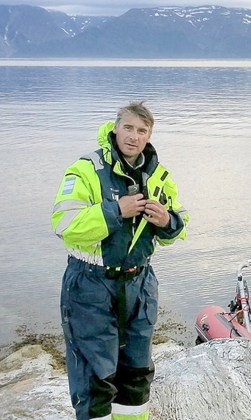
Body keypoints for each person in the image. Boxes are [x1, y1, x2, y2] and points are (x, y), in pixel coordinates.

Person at [52, 101, 188, 420]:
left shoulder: (158, 175)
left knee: (137, 376)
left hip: (140, 283)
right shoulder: (86, 169)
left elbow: (179, 225)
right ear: (115, 129)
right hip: (91, 284)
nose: (134, 136)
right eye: (128, 128)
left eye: (142, 131)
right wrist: (116, 211)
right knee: (94, 380)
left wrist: (166, 221)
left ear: (149, 135)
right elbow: (63, 224)